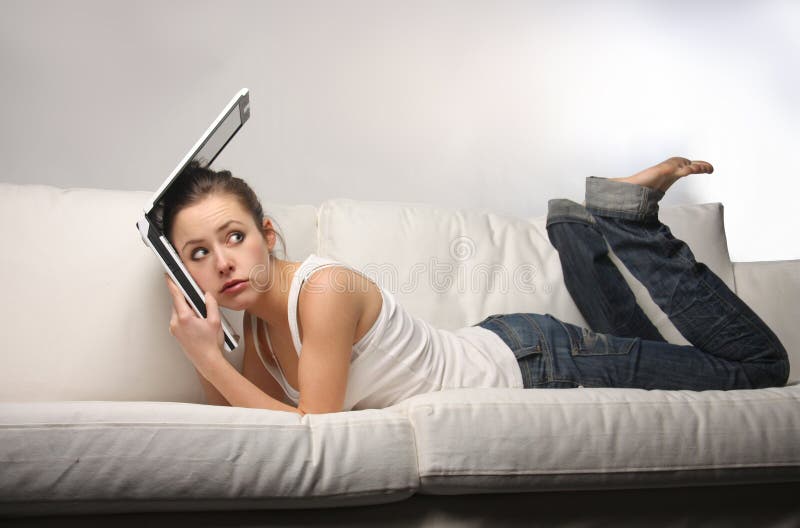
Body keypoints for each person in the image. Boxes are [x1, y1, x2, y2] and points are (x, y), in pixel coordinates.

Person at [160, 157, 789, 414]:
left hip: (538, 363)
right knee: (672, 369)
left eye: (234, 237)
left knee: (760, 368)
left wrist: (210, 362)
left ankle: (629, 224)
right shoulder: (260, 328)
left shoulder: (321, 291)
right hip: (504, 344)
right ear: (184, 272)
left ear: (268, 234)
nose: (222, 263)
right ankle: (575, 235)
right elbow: (252, 424)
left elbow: (311, 433)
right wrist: (211, 346)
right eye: (198, 254)